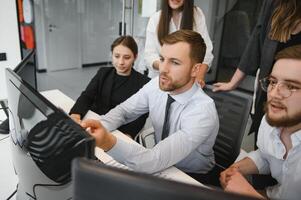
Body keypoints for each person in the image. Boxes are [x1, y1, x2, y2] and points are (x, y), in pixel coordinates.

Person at [81, 30, 219, 174]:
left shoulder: (202, 111)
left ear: (195, 69)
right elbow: (124, 111)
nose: (163, 69)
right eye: (162, 59)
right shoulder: (155, 85)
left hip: (191, 177)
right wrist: (96, 128)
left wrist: (107, 142)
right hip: (161, 164)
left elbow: (153, 160)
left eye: (175, 62)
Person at [219, 45, 301, 200]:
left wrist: (247, 193)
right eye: (273, 82)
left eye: (291, 86)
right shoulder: (271, 120)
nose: (274, 94)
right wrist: (236, 169)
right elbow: (266, 155)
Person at [213, 0, 301, 141]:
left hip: (297, 100)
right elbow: (255, 42)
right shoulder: (272, 3)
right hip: (270, 94)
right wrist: (233, 83)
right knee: (264, 143)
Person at [69, 36, 150, 139]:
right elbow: (87, 95)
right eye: (116, 56)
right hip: (96, 123)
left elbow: (141, 116)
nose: (121, 62)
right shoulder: (103, 73)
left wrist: (128, 134)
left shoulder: (144, 82)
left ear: (135, 57)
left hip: (121, 131)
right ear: (112, 55)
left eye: (126, 57)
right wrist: (76, 114)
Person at [144, 0, 213, 87]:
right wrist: (168, 67)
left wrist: (199, 77)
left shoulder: (196, 14)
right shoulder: (155, 18)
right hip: (159, 81)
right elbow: (149, 56)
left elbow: (206, 51)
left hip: (187, 82)